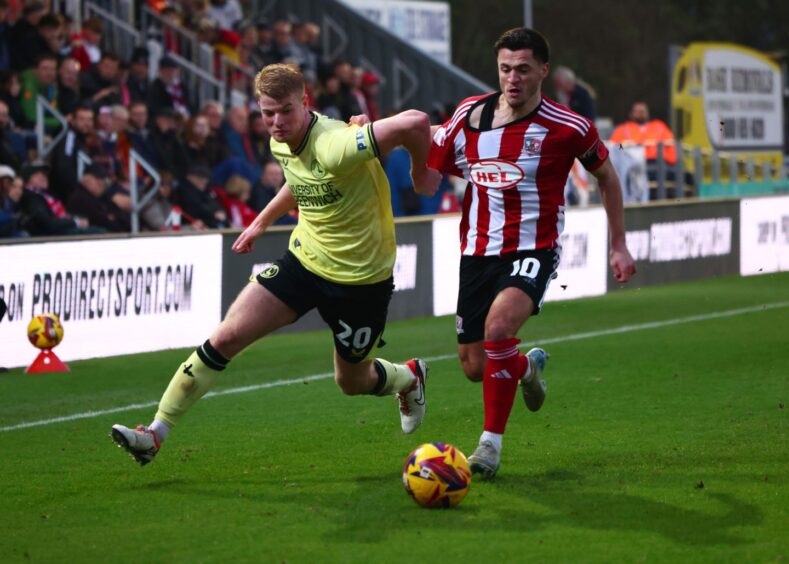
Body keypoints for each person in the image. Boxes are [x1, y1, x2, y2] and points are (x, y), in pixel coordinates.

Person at [110, 63, 441, 466]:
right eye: (268, 113)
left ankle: (408, 377)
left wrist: (421, 171)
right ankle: (154, 434)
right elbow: (298, 181)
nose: (276, 122)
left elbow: (416, 121)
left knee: (352, 382)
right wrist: (260, 222)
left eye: (285, 111)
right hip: (303, 261)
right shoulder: (279, 141)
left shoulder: (335, 144)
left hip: (361, 280)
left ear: (305, 102)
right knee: (227, 336)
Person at [428, 28, 636, 479]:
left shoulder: (569, 127)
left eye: (523, 69)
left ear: (543, 70)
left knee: (500, 327)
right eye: (505, 69)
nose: (513, 79)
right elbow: (433, 142)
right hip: (477, 252)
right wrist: (370, 134)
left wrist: (617, 244)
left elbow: (607, 177)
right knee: (474, 365)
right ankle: (526, 369)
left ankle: (489, 446)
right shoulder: (470, 114)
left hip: (533, 249)